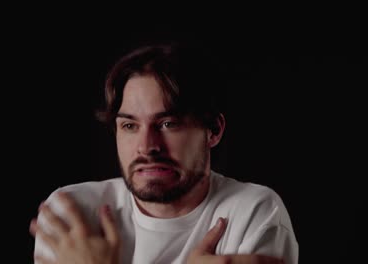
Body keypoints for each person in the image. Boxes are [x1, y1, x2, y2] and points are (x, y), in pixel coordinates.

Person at [29, 41, 299, 264]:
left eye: (168, 124)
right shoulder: (74, 215)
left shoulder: (254, 212)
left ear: (213, 130)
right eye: (129, 125)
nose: (147, 146)